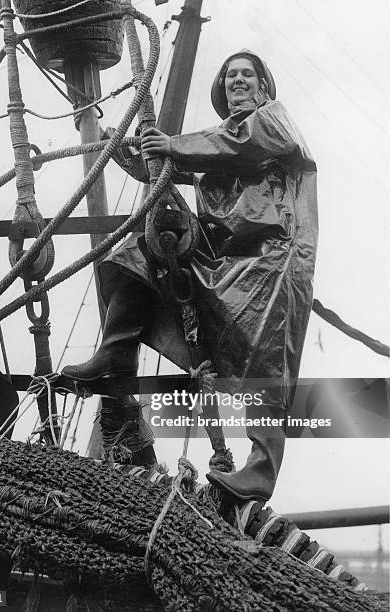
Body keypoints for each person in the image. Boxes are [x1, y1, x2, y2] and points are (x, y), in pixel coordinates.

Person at [62, 50, 318, 506]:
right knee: (139, 254)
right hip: (218, 256)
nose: (237, 80)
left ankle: (261, 467)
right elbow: (164, 166)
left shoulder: (273, 122)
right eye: (230, 75)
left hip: (269, 260)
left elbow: (239, 145)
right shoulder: (214, 142)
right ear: (222, 88)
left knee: (264, 360)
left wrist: (171, 145)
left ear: (263, 85)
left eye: (247, 74)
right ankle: (115, 353)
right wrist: (116, 143)